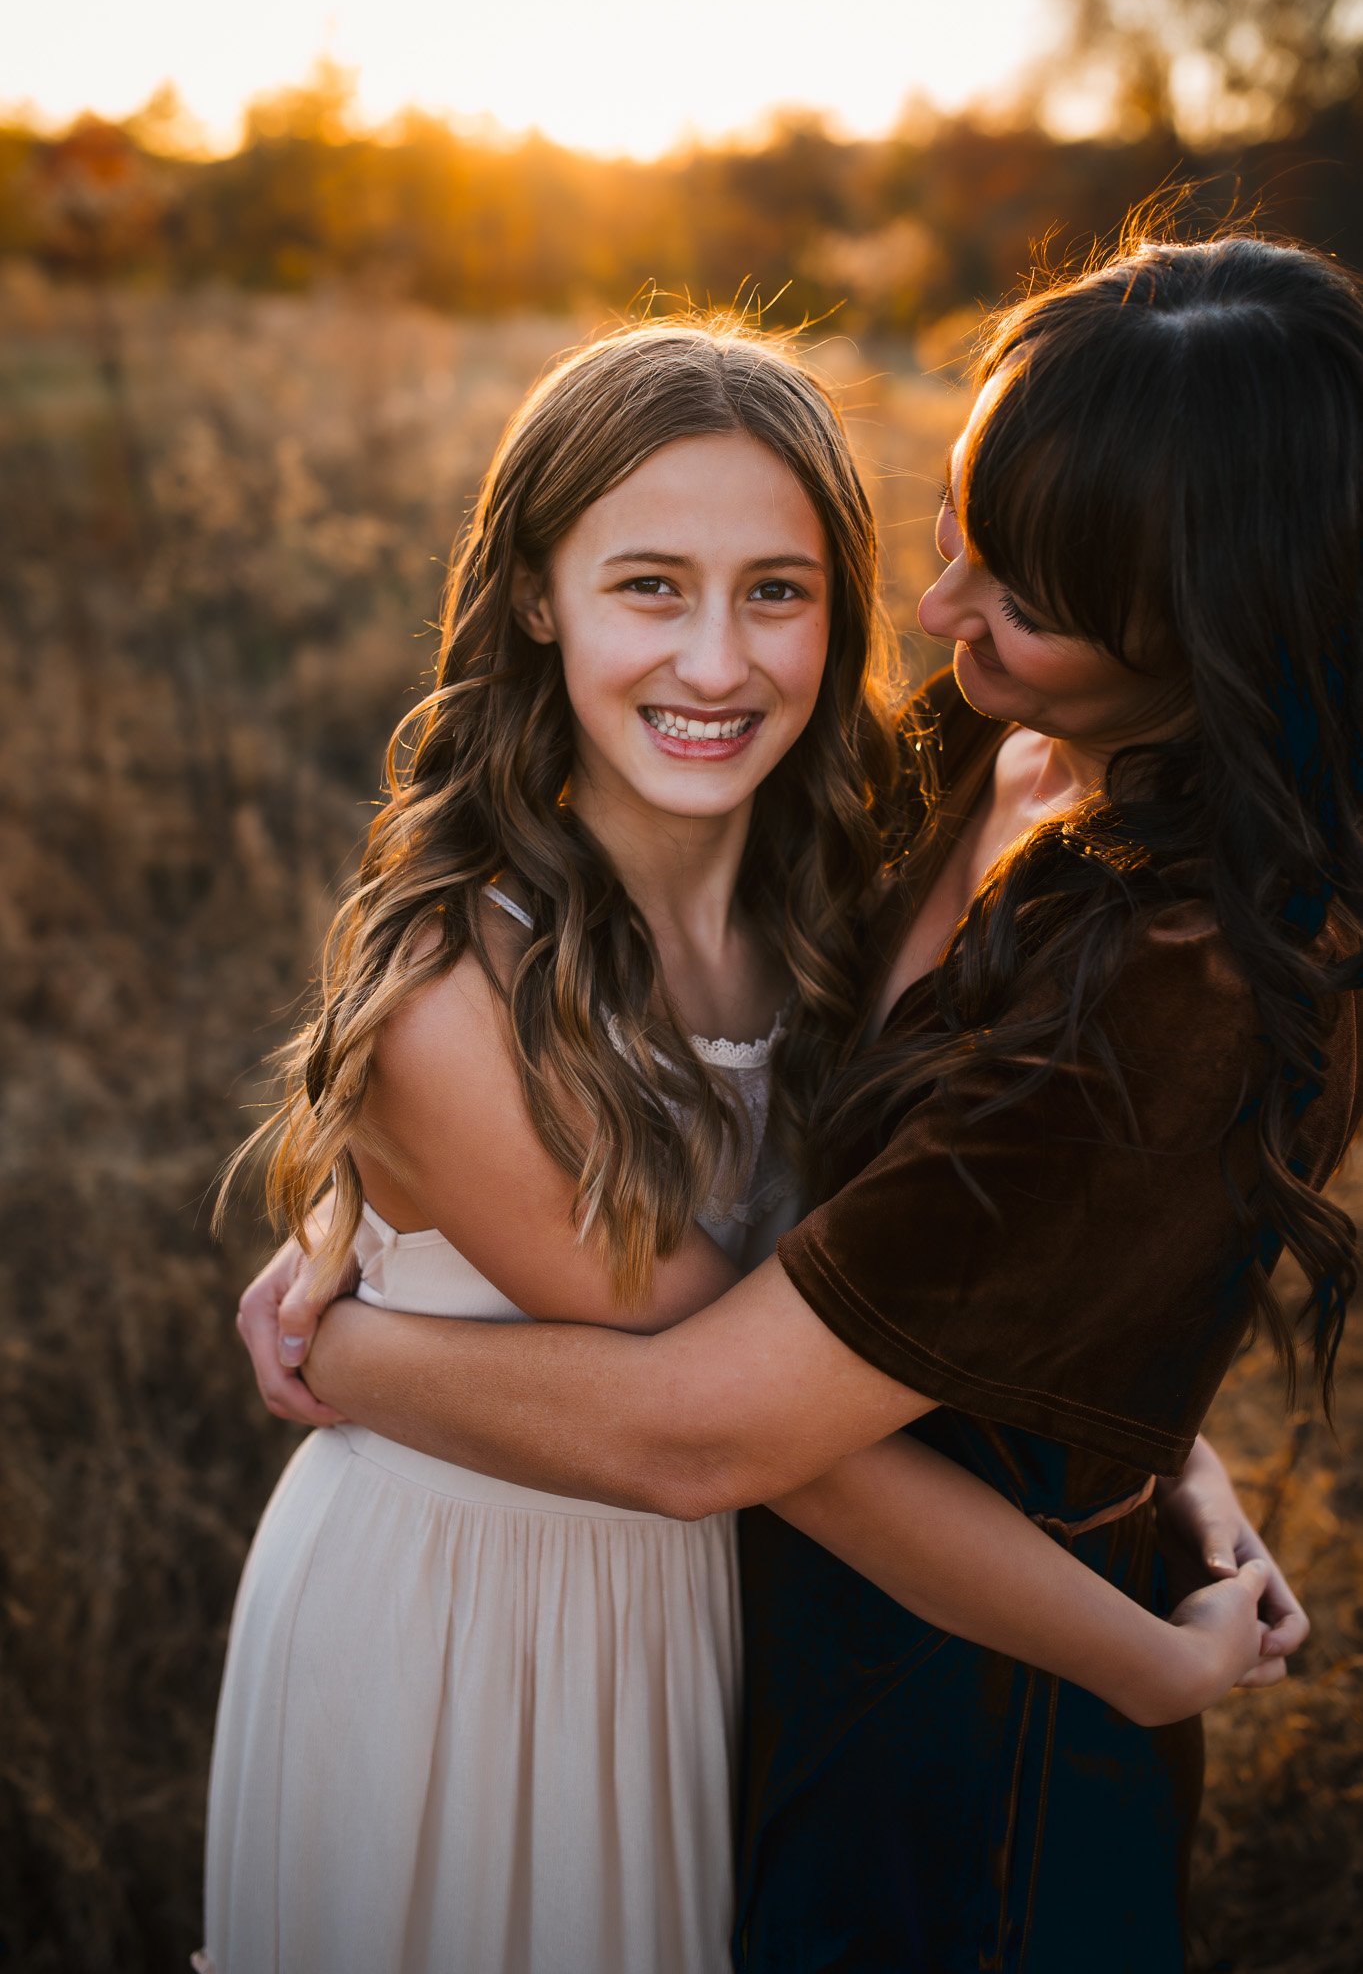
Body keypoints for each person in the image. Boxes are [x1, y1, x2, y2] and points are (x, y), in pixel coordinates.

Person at [250, 234, 1363, 1973]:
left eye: (781, 589)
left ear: (1207, 624)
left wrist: (359, 1355)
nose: (940, 619)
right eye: (956, 540)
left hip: (881, 1666)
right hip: (537, 1628)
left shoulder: (1156, 963)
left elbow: (726, 1405)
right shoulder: (920, 794)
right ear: (534, 590)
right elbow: (929, 1259)